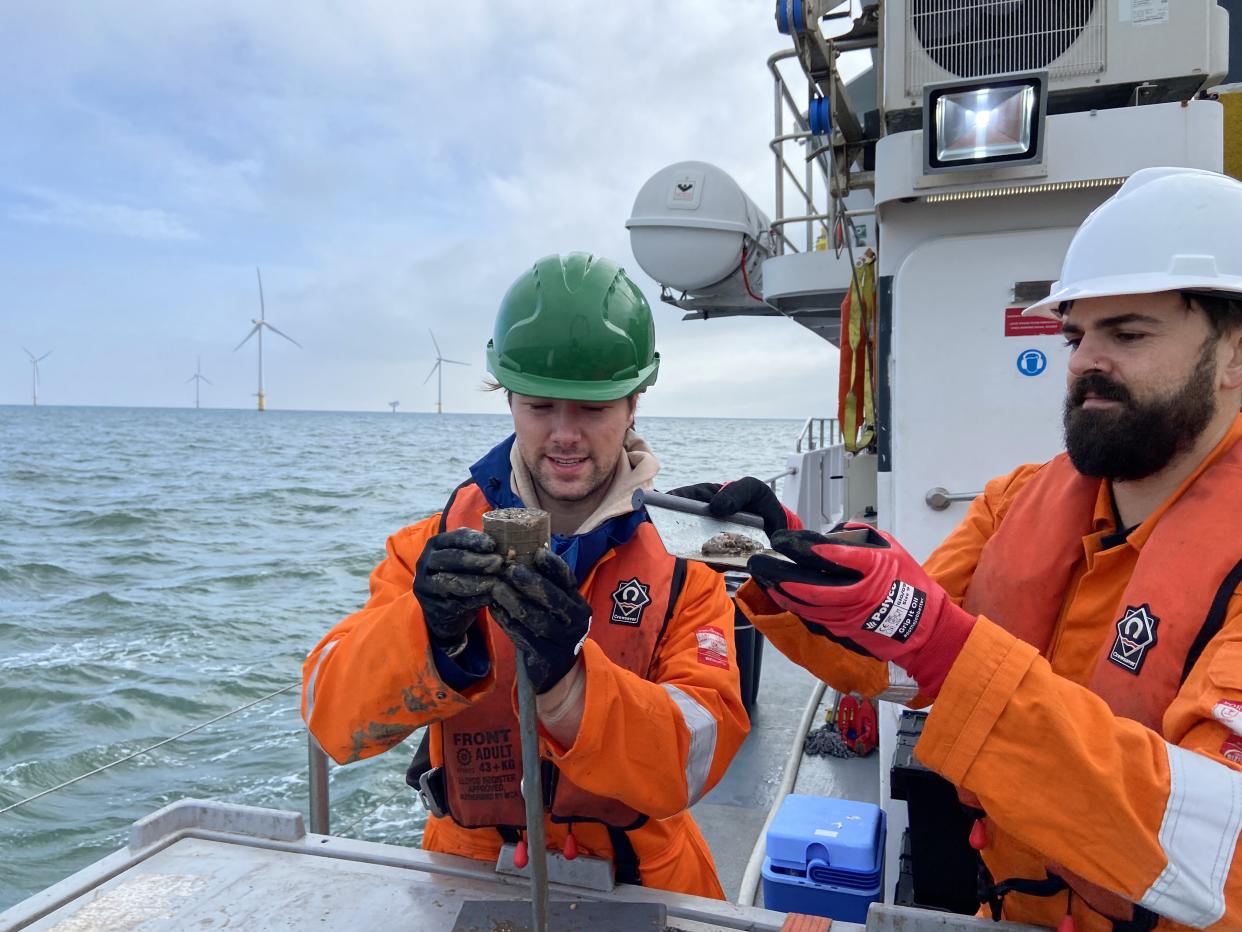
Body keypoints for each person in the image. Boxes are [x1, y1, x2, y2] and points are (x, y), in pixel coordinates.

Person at [696, 167, 1242, 930]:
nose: (1085, 361)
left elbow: (1221, 858)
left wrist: (949, 651)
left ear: (1234, 358)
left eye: (1129, 333)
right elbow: (894, 664)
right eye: (1077, 335)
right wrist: (804, 565)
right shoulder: (1015, 500)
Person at [301, 253, 748, 898]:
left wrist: (569, 688)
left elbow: (694, 762)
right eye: (541, 406)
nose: (564, 435)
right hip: (468, 866)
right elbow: (329, 715)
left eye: (592, 408)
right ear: (508, 398)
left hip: (641, 875)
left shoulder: (686, 572)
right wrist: (431, 635)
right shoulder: (428, 549)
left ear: (633, 404)